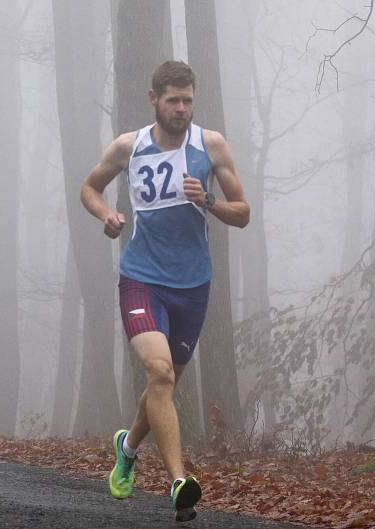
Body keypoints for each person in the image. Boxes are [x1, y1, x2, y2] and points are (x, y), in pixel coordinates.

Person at [80, 60, 250, 522]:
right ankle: (179, 480)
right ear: (154, 99)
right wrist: (106, 217)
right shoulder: (128, 147)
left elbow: (243, 212)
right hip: (141, 277)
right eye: (173, 100)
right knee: (159, 373)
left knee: (165, 380)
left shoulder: (210, 145)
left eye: (188, 100)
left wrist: (209, 200)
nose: (181, 109)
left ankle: (128, 446)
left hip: (192, 284)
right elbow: (90, 188)